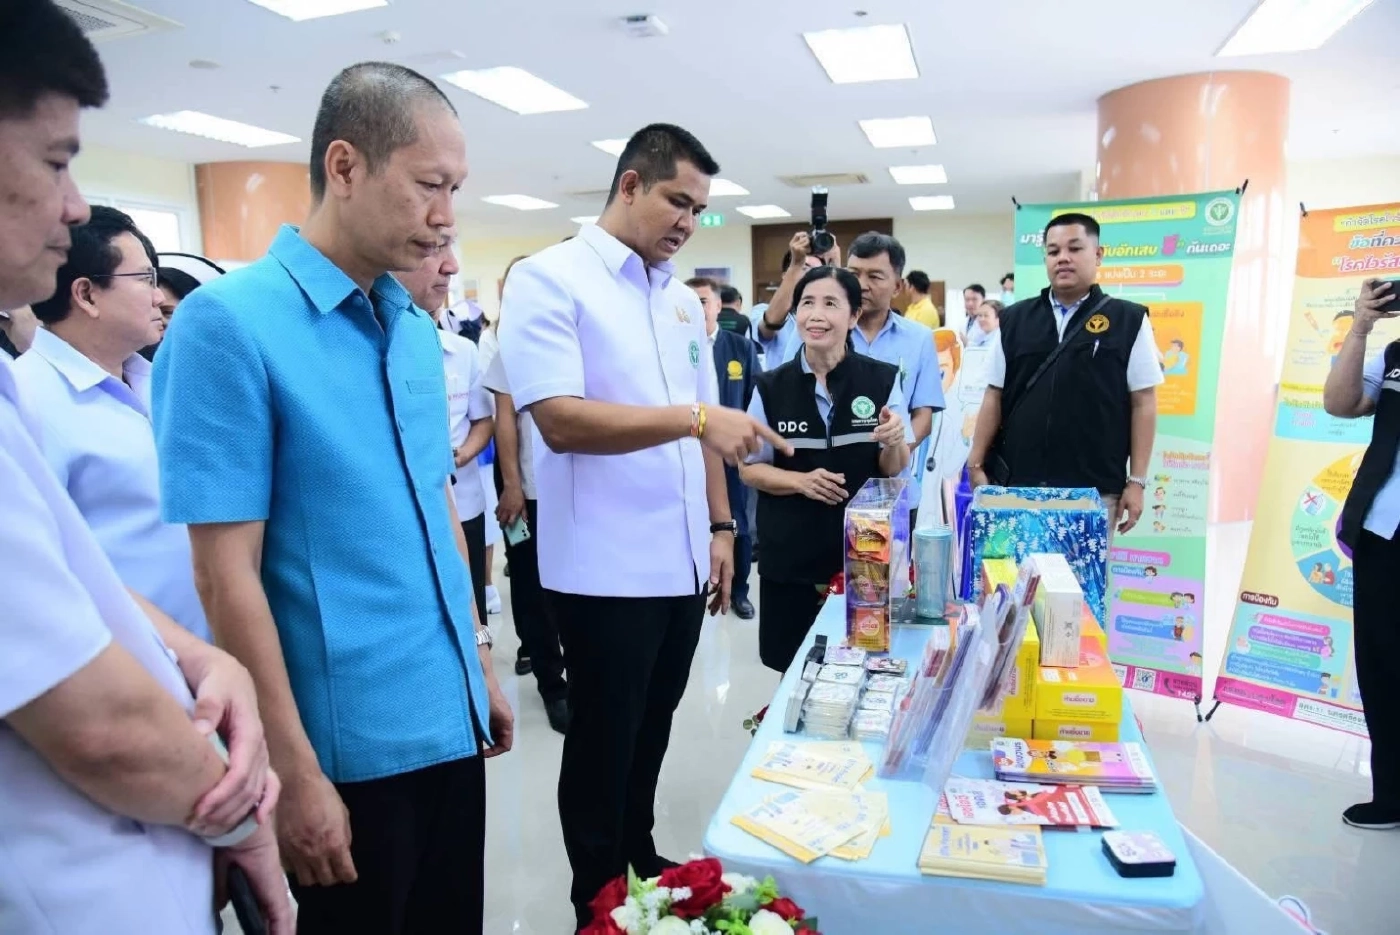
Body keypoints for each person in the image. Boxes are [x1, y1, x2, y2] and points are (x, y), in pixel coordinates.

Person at [152, 62, 512, 933]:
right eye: (429, 184)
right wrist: (293, 770)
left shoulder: (413, 327)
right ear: (345, 166)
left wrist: (478, 662)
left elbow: (435, 507)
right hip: (345, 754)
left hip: (449, 720)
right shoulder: (228, 325)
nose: (447, 215)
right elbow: (223, 576)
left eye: (456, 188)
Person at [0, 3, 289, 930]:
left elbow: (75, 572)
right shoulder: (38, 396)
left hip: (172, 772)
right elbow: (98, 724)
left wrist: (203, 656)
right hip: (90, 858)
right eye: (55, 161)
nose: (73, 202)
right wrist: (242, 818)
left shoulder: (148, 382)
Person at [498, 122, 788, 930]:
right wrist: (694, 419)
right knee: (603, 740)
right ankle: (597, 898)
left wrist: (722, 528)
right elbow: (561, 419)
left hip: (682, 557)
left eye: (699, 209)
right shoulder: (552, 279)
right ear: (629, 185)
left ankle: (638, 859)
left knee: (653, 724)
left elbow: (705, 430)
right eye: (677, 201)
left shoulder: (681, 302)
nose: (688, 221)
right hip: (603, 565)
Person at [16, 206, 210, 641]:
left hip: (207, 650)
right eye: (145, 279)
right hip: (127, 659)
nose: (159, 298)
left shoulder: (157, 381)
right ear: (86, 295)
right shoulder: (28, 400)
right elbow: (41, 573)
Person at [740, 266, 912, 670]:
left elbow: (893, 469)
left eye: (831, 303)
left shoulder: (881, 379)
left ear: (854, 316)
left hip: (864, 560)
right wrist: (799, 481)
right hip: (790, 560)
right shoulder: (770, 387)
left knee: (863, 663)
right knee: (792, 668)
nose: (816, 315)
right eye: (807, 304)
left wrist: (894, 440)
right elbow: (749, 469)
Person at [967, 212, 1163, 537]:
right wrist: (975, 463)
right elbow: (994, 394)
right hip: (1017, 487)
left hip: (1093, 492)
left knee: (1083, 573)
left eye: (1075, 248)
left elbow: (1144, 402)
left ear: (1098, 255)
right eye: (1053, 251)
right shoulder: (1015, 319)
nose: (1063, 258)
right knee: (1014, 571)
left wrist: (1137, 481)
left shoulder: (1128, 320)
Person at [1323, 277, 1400, 830]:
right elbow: (1340, 402)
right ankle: (1391, 793)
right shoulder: (1394, 355)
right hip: (1383, 531)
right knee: (1381, 664)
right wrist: (1361, 327)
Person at [483, 257, 570, 734]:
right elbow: (505, 420)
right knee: (531, 585)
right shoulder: (509, 343)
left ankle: (577, 670)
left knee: (571, 585)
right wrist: (513, 486)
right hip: (527, 490)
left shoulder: (574, 333)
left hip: (574, 491)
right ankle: (551, 684)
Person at [397, 231, 497, 628]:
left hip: (465, 496)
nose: (450, 266)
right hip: (416, 509)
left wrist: (463, 454)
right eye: (434, 249)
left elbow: (483, 420)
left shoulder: (462, 352)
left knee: (470, 598)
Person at [691, 274, 761, 620]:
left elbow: (755, 397)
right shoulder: (677, 346)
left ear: (719, 305)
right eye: (690, 302)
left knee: (738, 523)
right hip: (690, 449)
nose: (697, 308)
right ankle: (696, 588)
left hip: (730, 452)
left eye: (703, 301)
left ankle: (740, 592)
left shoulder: (739, 347)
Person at [755, 230, 841, 363]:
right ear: (785, 275)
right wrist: (796, 264)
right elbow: (770, 323)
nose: (810, 276)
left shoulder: (827, 315)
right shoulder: (761, 311)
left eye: (817, 271)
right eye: (804, 268)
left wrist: (835, 267)